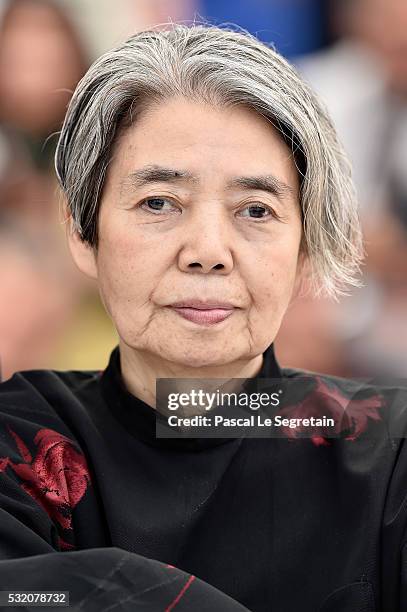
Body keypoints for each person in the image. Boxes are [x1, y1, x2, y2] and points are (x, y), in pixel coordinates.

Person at [0, 22, 406, 612]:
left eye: (256, 209)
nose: (208, 250)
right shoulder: (19, 440)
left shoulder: (390, 454)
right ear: (81, 230)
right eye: (158, 202)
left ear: (304, 248)